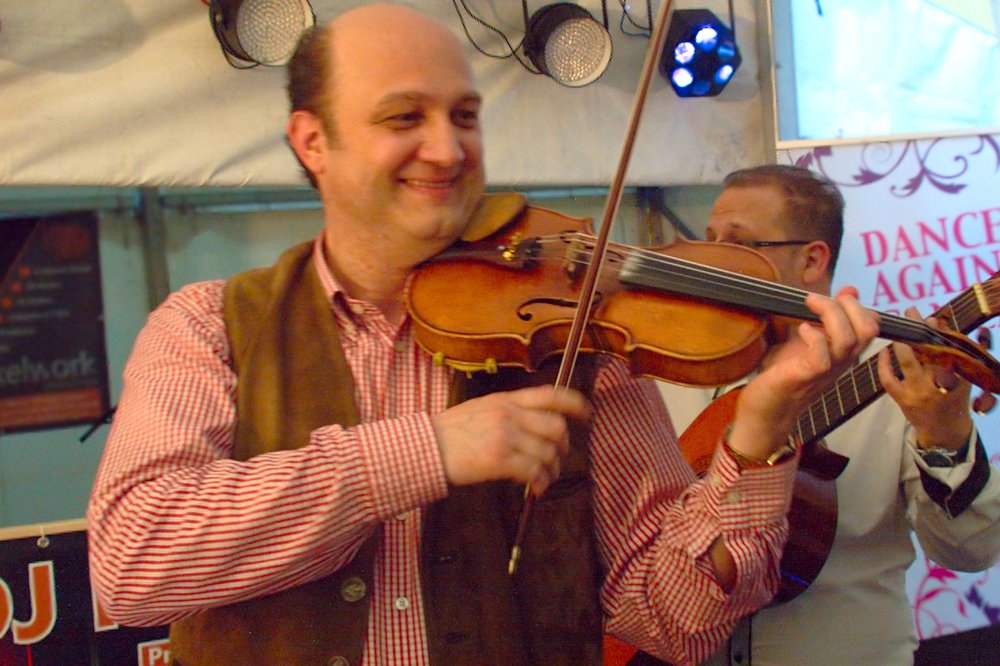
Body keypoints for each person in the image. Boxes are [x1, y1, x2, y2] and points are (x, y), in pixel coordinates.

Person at [85, 8, 879, 666]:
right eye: (404, 117)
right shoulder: (208, 326)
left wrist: (759, 436)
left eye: (464, 116)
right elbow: (132, 564)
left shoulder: (575, 340)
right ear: (312, 140)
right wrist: (423, 453)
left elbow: (676, 622)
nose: (448, 149)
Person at [651, 165, 1000, 665]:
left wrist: (945, 435)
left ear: (812, 259)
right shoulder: (674, 368)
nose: (712, 261)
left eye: (739, 243)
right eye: (710, 241)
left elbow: (971, 552)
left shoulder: (896, 374)